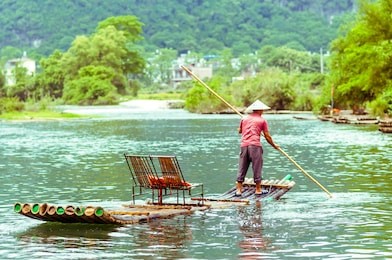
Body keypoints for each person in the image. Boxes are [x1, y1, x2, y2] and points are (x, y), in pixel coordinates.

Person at [236, 100, 279, 196]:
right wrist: (274, 146)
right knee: (257, 167)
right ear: (259, 110)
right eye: (262, 110)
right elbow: (267, 136)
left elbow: (240, 131)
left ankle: (239, 190)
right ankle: (258, 189)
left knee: (242, 167)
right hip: (255, 146)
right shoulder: (262, 120)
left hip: (244, 146)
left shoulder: (244, 119)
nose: (263, 111)